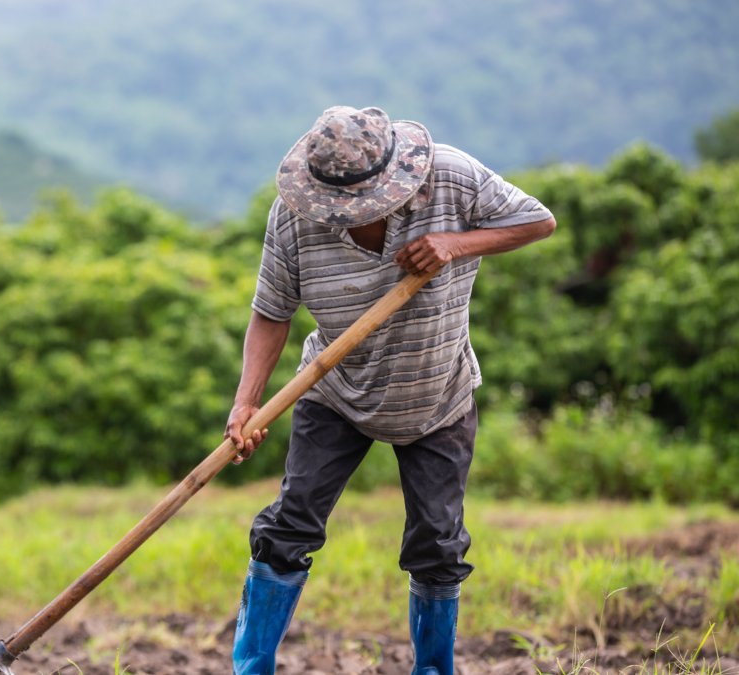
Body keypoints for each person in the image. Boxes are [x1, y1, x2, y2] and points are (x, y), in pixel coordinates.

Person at [226, 106, 556, 675]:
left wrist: (456, 245)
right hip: (335, 391)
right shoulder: (294, 218)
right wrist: (246, 402)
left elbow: (538, 221)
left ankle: (433, 670)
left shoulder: (450, 177)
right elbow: (271, 312)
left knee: (437, 543)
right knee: (288, 527)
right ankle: (250, 668)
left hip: (437, 395)